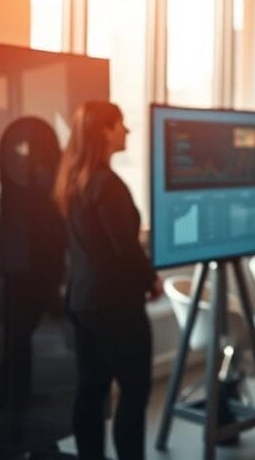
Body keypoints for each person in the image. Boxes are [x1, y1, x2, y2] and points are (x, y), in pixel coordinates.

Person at [53, 101, 163, 460]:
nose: (127, 131)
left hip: (83, 301)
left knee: (91, 390)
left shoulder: (73, 179)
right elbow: (126, 248)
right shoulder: (108, 184)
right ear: (104, 131)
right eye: (121, 124)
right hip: (116, 304)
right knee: (134, 390)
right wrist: (151, 279)